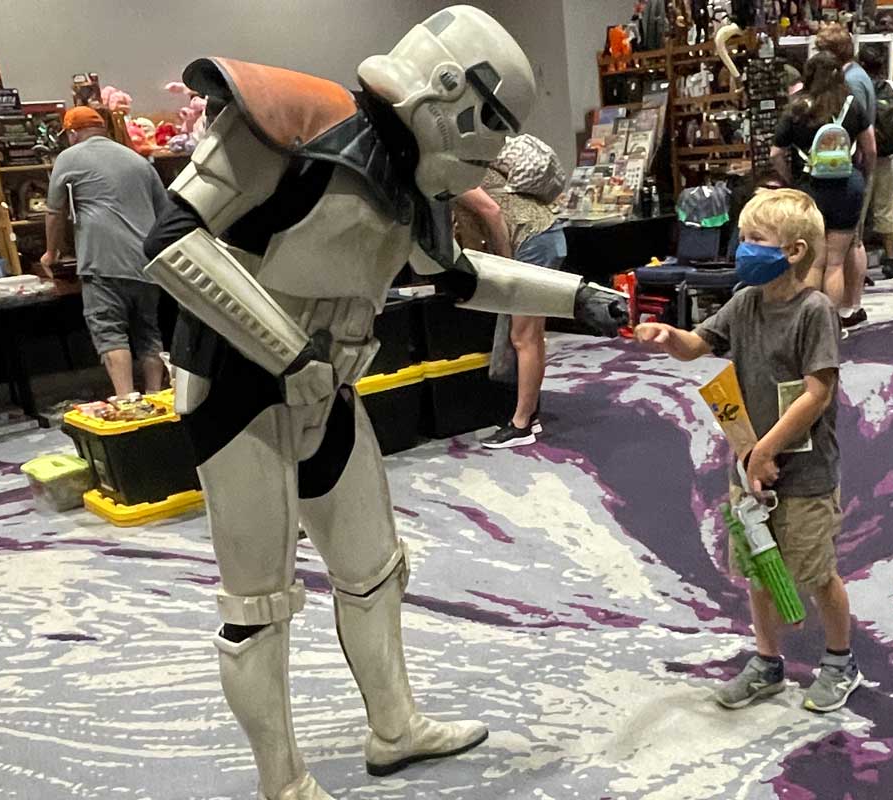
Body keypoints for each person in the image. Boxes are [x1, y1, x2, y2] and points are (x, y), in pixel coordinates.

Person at [139, 8, 625, 799]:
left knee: (374, 570)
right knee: (258, 604)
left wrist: (579, 295)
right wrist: (282, 348)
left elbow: (461, 278)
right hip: (235, 383)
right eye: (492, 123)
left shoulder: (414, 183)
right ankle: (282, 783)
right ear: (445, 90)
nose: (495, 148)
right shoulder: (288, 125)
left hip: (324, 385)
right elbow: (169, 240)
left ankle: (393, 727)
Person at [634, 187, 858, 713]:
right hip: (750, 471)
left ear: (794, 250)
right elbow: (696, 346)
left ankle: (840, 659)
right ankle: (767, 661)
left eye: (756, 239)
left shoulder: (815, 311)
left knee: (816, 572)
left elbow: (817, 392)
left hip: (803, 474)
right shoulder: (744, 303)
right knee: (758, 568)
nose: (742, 247)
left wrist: (767, 450)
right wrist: (669, 335)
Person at [43, 106, 170, 397]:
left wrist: (52, 253)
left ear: (73, 133)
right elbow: (165, 214)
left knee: (110, 331)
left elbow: (54, 211)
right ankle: (155, 396)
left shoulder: (69, 157)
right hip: (147, 264)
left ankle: (126, 400)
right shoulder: (137, 160)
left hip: (102, 261)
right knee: (148, 333)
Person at [454, 134, 566, 448]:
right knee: (531, 334)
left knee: (523, 336)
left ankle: (521, 425)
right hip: (544, 236)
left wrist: (505, 263)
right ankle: (531, 413)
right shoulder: (468, 170)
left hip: (531, 242)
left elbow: (491, 212)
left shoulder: (458, 179)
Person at [771, 52, 876, 326]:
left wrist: (790, 181)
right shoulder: (852, 105)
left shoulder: (797, 107)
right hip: (848, 186)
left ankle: (813, 322)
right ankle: (837, 319)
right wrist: (863, 173)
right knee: (836, 262)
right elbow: (871, 148)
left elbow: (775, 153)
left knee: (814, 261)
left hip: (810, 187)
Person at [816, 22, 875, 327]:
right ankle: (850, 305)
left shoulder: (849, 84)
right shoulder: (856, 78)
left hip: (847, 171)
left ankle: (850, 305)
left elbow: (864, 136)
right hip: (851, 173)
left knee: (847, 246)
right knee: (849, 243)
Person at [859, 45, 893, 278]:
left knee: (858, 213)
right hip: (886, 159)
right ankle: (890, 260)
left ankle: (857, 261)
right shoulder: (892, 88)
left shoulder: (857, 86)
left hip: (861, 158)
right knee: (886, 209)